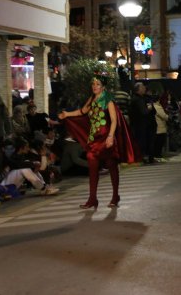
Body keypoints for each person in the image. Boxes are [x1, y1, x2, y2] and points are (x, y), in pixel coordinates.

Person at [59, 74, 138, 209]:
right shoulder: (92, 99)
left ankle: (115, 196)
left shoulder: (108, 100)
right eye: (93, 84)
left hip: (106, 139)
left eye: (98, 84)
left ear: (103, 87)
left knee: (112, 166)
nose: (95, 87)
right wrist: (67, 114)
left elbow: (114, 120)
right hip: (94, 139)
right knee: (93, 168)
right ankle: (92, 199)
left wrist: (110, 136)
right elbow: (82, 112)